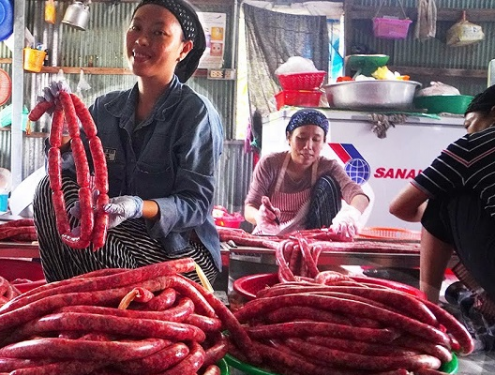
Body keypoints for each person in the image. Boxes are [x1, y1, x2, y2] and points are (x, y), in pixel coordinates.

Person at [33, 0, 224, 283]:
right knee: (49, 189)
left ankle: (90, 306)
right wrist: (59, 120)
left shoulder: (195, 113)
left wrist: (136, 207)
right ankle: (62, 299)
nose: (142, 39)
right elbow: (68, 172)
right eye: (136, 27)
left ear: (184, 49)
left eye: (159, 33)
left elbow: (195, 205)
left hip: (180, 250)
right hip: (118, 235)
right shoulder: (106, 107)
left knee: (98, 240)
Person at [389, 85, 495, 304]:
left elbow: (400, 207)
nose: (468, 133)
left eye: (470, 125)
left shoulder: (473, 146)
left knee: (442, 193)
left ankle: (428, 306)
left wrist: (450, 229)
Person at [244, 109, 370, 237]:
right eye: (301, 138)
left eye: (316, 139)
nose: (308, 146)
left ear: (323, 142)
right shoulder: (270, 164)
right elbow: (250, 206)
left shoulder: (328, 166)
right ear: (289, 137)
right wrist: (259, 217)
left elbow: (359, 195)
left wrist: (351, 215)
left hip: (307, 239)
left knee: (328, 183)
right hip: (270, 235)